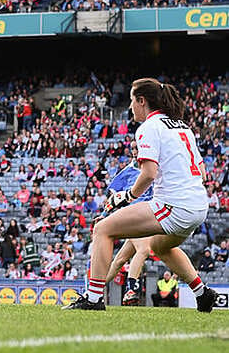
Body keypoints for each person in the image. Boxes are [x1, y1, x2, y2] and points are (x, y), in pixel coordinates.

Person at [64, 78, 217, 312]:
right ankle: (202, 293)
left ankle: (93, 299)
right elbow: (203, 171)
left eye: (132, 101)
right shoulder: (181, 126)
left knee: (102, 229)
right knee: (159, 247)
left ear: (142, 101)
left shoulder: (148, 127)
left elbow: (149, 173)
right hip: (198, 206)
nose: (130, 107)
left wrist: (127, 196)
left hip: (175, 205)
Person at [103, 142, 155, 306]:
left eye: (138, 148)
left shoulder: (154, 169)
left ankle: (92, 289)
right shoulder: (127, 171)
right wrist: (105, 213)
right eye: (133, 149)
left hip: (150, 214)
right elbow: (112, 194)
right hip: (134, 214)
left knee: (119, 261)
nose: (135, 151)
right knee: (144, 249)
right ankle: (131, 289)